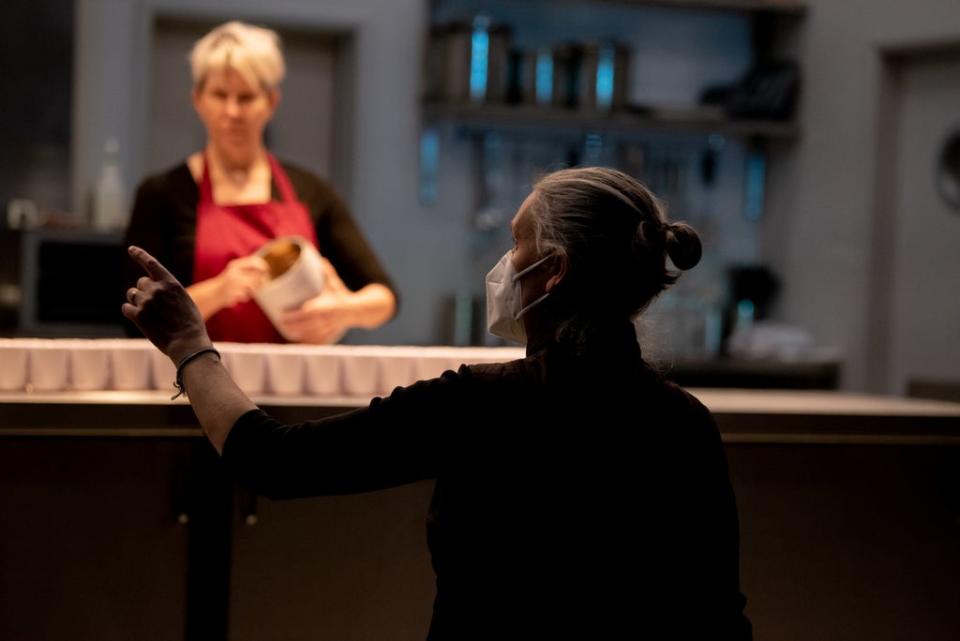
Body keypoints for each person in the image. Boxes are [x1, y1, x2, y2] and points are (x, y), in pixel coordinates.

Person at [122, 167, 752, 639]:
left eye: (517, 243)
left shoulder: (481, 404)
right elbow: (721, 620)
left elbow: (274, 461)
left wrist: (189, 345)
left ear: (553, 271)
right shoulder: (685, 424)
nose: (505, 264)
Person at [123, 21, 396, 344]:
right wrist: (220, 290)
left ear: (271, 102)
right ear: (198, 100)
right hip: (197, 383)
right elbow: (136, 314)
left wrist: (343, 310)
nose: (232, 111)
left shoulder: (312, 191)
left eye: (247, 97)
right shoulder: (162, 194)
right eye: (220, 95)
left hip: (294, 386)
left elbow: (385, 298)